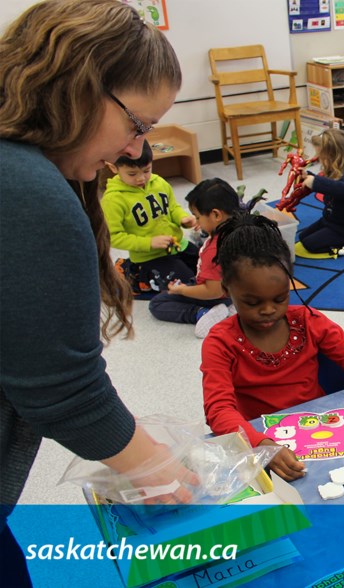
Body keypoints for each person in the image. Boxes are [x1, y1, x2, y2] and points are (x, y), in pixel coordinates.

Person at [0, 1, 194, 582]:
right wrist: (163, 471)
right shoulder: (25, 189)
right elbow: (62, 390)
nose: (136, 151)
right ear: (82, 89)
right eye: (136, 126)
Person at [201, 214, 344, 481]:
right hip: (265, 444)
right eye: (252, 302)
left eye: (280, 298)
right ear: (227, 289)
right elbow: (218, 410)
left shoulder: (307, 321)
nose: (269, 310)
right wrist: (260, 445)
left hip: (323, 434)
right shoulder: (220, 342)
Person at [102, 140, 199, 295]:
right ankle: (132, 273)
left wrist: (182, 218)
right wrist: (149, 243)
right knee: (186, 285)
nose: (141, 178)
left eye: (146, 170)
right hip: (149, 256)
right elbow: (114, 237)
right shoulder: (113, 199)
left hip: (177, 244)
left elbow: (172, 207)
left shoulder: (159, 182)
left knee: (206, 267)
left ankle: (135, 270)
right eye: (132, 174)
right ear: (114, 168)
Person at [148, 179, 241, 338]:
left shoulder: (214, 250)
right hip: (241, 291)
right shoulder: (243, 229)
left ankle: (202, 313)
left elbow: (213, 291)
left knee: (158, 303)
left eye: (198, 217)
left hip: (220, 295)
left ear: (216, 215)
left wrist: (182, 289)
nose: (197, 222)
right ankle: (233, 307)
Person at [295, 129, 344, 254]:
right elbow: (329, 184)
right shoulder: (336, 168)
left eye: (322, 157)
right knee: (302, 237)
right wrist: (308, 176)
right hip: (331, 220)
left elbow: (343, 189)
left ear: (336, 155)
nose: (320, 160)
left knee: (310, 245)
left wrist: (315, 182)